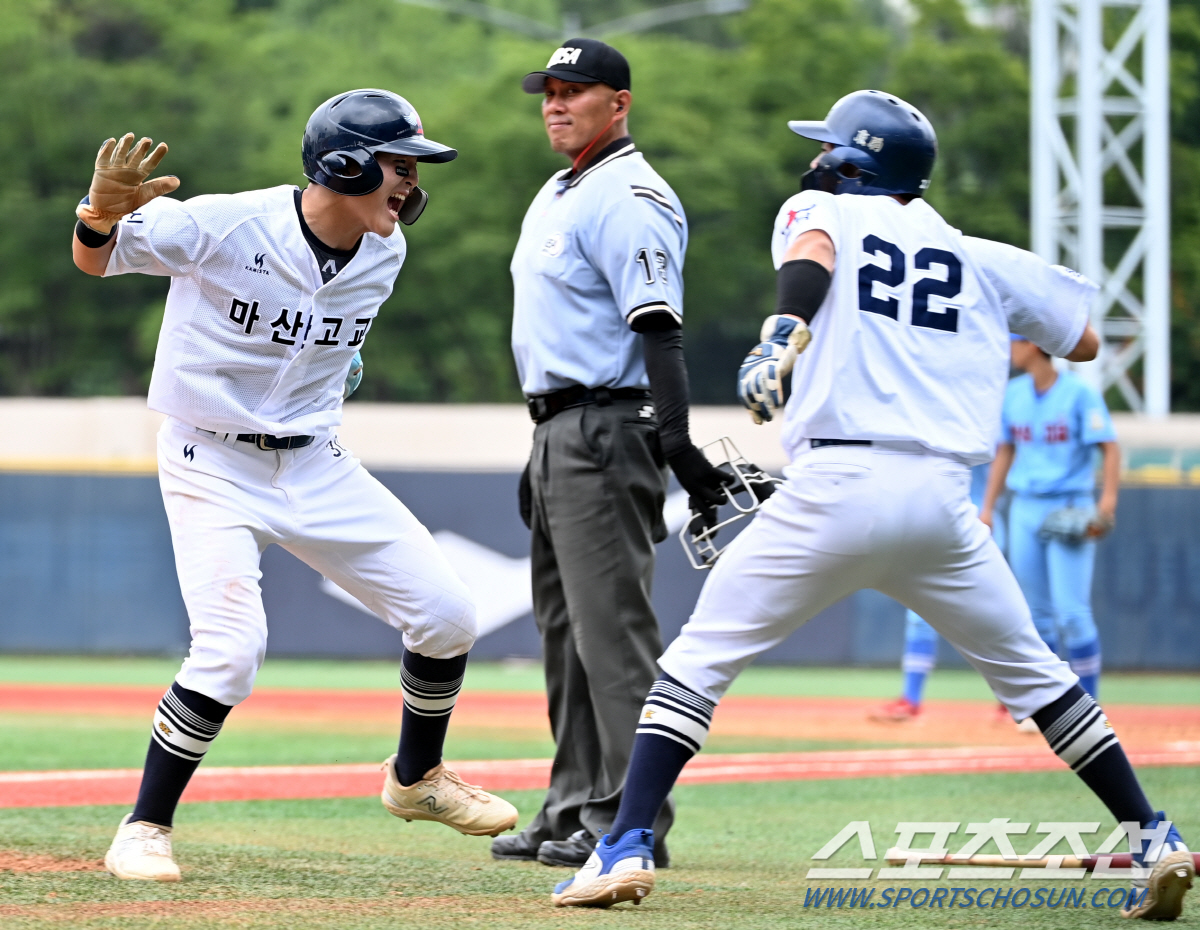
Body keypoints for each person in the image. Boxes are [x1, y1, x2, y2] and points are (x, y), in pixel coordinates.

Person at [547, 90, 1193, 920]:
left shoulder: (825, 209)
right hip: (941, 502)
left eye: (828, 147)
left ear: (854, 163)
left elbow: (813, 248)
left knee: (697, 662)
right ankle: (1154, 837)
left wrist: (780, 333)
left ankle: (625, 843)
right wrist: (965, 326)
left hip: (839, 483)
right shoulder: (978, 255)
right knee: (1041, 679)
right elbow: (1086, 341)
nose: (815, 158)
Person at [71, 89, 518, 882]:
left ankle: (417, 779)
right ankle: (143, 828)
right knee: (231, 653)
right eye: (399, 164)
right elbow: (96, 258)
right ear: (342, 164)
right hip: (210, 459)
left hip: (314, 460)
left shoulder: (383, 253)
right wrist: (97, 214)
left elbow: (327, 343)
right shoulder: (224, 223)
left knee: (448, 616)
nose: (412, 182)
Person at [492, 39, 733, 870]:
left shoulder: (631, 194)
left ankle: (630, 823)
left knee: (612, 635)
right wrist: (543, 442)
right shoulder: (562, 188)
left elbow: (658, 329)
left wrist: (678, 443)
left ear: (619, 103)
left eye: (575, 91)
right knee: (565, 636)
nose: (556, 104)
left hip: (606, 423)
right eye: (549, 91)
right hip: (560, 425)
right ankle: (571, 810)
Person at [979, 335, 1120, 698]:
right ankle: (1052, 702)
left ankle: (1090, 702)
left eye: (1014, 342)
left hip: (1068, 503)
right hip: (1025, 506)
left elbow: (1109, 446)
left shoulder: (1079, 393)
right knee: (1037, 615)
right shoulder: (1014, 394)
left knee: (1072, 614)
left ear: (1032, 345)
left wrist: (1106, 503)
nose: (1009, 349)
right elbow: (1005, 450)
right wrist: (989, 507)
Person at [870, 463, 1009, 723]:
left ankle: (1013, 700)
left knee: (994, 615)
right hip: (935, 522)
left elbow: (1005, 457)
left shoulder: (985, 435)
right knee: (918, 614)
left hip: (977, 518)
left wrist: (989, 508)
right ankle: (910, 700)